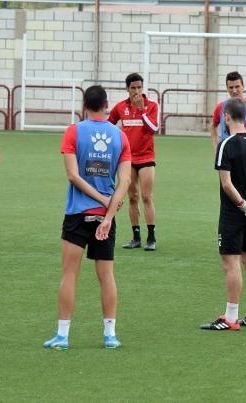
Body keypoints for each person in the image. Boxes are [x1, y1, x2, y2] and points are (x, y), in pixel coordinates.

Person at [44, 85, 131, 350]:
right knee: (106, 276)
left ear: (84, 106)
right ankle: (110, 335)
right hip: (105, 216)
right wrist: (109, 210)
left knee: (70, 274)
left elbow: (73, 175)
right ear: (106, 105)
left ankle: (62, 336)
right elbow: (125, 180)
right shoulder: (119, 136)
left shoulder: (74, 131)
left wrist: (104, 203)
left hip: (77, 214)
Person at [201, 98, 246, 331]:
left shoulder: (225, 144)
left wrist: (244, 206)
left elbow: (227, 184)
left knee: (231, 264)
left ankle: (230, 318)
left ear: (227, 118)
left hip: (234, 213)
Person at [108, 73, 158, 251]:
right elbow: (108, 125)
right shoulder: (121, 107)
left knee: (146, 196)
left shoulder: (151, 105)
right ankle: (136, 237)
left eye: (139, 87)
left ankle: (151, 238)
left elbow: (153, 128)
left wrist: (142, 110)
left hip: (146, 158)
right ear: (127, 89)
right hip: (128, 159)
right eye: (133, 88)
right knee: (132, 197)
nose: (137, 91)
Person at [210, 71, 246, 151]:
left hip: (244, 154)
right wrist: (216, 147)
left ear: (242, 86)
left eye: (237, 87)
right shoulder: (220, 107)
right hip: (225, 153)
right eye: (231, 87)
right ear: (227, 88)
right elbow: (213, 126)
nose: (234, 90)